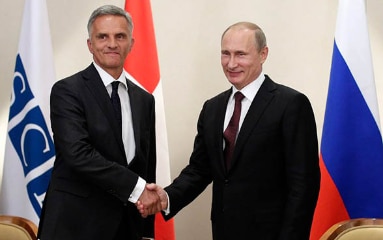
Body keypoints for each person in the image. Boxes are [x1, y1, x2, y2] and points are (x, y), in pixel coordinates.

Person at [139, 22, 320, 239]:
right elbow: (199, 169)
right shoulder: (212, 108)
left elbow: (303, 186)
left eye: (241, 54)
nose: (231, 63)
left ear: (263, 54)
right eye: (226, 54)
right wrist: (167, 197)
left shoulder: (291, 105)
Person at [38, 5, 161, 240]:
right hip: (75, 226)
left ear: (131, 44)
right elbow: (78, 154)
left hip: (127, 226)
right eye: (103, 36)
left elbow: (146, 165)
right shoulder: (67, 91)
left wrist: (146, 229)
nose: (112, 44)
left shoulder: (145, 100)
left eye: (120, 36)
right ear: (90, 44)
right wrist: (138, 189)